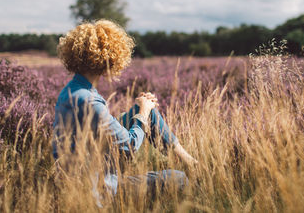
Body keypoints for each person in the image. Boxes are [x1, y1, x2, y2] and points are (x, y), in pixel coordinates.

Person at [52, 20, 197, 203]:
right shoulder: (89, 101)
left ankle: (190, 162)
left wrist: (142, 109)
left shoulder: (72, 90)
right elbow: (129, 147)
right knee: (179, 179)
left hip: (83, 178)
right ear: (110, 58)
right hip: (97, 192)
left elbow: (98, 132)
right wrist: (143, 111)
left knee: (144, 111)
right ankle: (190, 173)